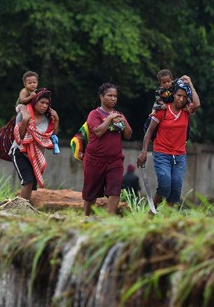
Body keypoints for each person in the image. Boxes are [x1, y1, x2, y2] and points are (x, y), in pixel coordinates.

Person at [137, 76, 201, 208]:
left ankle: (168, 217)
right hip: (162, 153)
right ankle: (152, 212)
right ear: (173, 94)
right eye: (178, 95)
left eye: (184, 97)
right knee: (165, 184)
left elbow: (197, 104)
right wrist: (143, 152)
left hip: (180, 155)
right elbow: (149, 132)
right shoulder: (163, 110)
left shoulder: (186, 111)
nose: (181, 99)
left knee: (176, 189)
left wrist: (191, 84)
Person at [82, 83, 132, 215]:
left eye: (115, 96)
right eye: (109, 95)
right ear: (101, 97)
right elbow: (98, 132)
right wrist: (109, 119)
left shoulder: (119, 114)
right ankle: (86, 217)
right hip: (95, 160)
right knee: (90, 193)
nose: (113, 98)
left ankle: (109, 220)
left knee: (115, 190)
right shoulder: (94, 114)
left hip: (115, 160)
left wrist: (123, 121)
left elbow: (128, 135)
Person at [11, 88, 59, 201]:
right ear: (34, 102)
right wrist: (25, 120)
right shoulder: (23, 114)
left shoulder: (48, 119)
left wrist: (56, 119)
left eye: (47, 103)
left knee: (31, 183)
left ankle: (25, 206)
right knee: (27, 181)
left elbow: (53, 136)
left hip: (35, 156)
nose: (44, 106)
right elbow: (19, 137)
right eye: (42, 102)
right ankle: (21, 207)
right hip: (20, 152)